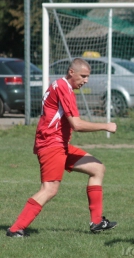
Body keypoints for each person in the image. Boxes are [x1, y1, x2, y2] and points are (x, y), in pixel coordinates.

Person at [6, 58, 117, 237]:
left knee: (97, 168)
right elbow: (77, 124)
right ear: (71, 72)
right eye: (83, 76)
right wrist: (106, 126)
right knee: (49, 189)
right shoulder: (63, 87)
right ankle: (15, 229)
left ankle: (97, 222)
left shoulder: (61, 86)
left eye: (88, 77)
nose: (86, 80)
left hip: (60, 145)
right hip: (51, 145)